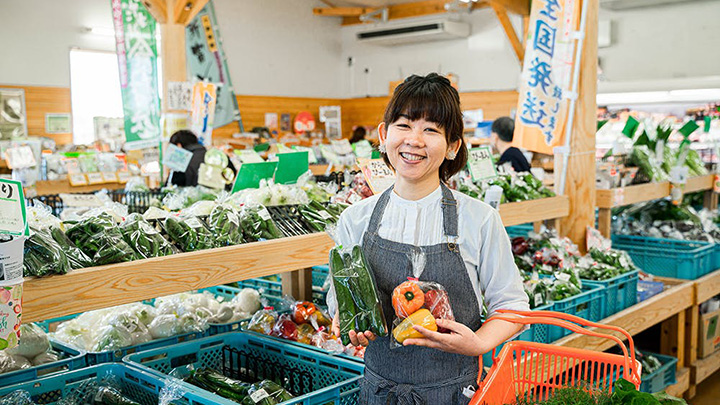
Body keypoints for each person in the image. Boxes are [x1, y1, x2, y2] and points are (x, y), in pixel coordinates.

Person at [328, 73, 529, 404]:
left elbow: (512, 305)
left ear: (452, 146)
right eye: (404, 125)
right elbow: (340, 293)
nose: (414, 140)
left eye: (431, 129)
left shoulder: (479, 220)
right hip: (379, 393)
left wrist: (478, 343)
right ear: (383, 134)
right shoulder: (355, 219)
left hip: (456, 394)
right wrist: (346, 318)